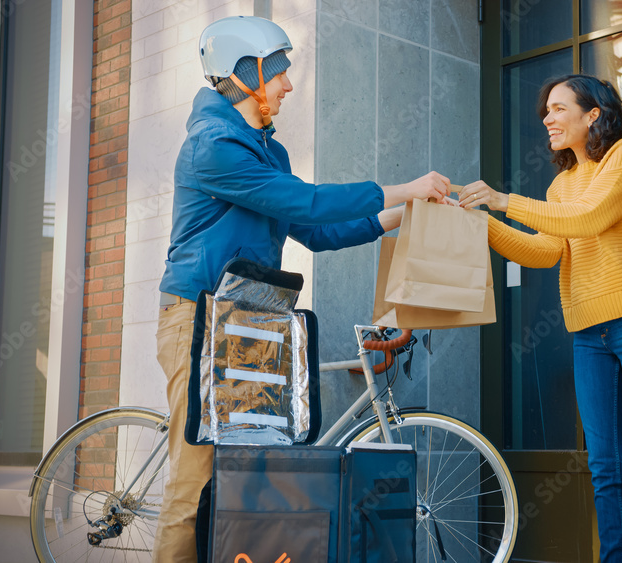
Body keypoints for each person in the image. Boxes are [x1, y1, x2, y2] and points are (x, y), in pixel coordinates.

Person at [153, 15, 450, 562]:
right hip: (197, 318)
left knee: (247, 478)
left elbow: (317, 230)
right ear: (246, 72)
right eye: (281, 72)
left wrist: (403, 212)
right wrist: (405, 186)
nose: (289, 85)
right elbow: (309, 203)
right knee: (198, 480)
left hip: (248, 320)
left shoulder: (270, 152)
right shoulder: (214, 146)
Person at [459, 74, 622, 563]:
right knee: (604, 466)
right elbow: (545, 252)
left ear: (594, 114)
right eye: (545, 110)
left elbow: (589, 218)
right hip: (588, 332)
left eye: (558, 108)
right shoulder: (560, 185)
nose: (547, 118)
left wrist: (504, 200)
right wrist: (480, 221)